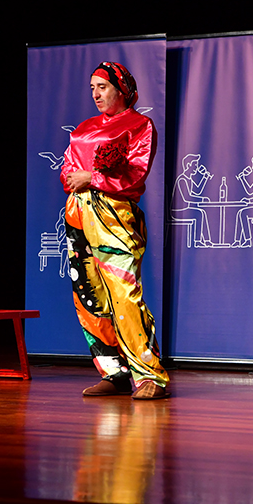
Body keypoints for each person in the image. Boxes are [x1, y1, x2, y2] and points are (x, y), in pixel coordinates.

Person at [60, 61, 170, 400]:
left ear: (121, 89)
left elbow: (135, 174)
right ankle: (114, 372)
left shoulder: (139, 125)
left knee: (124, 294)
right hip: (78, 213)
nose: (96, 94)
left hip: (114, 215)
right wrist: (77, 178)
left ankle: (149, 375)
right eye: (92, 88)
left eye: (103, 87)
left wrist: (92, 177)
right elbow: (66, 169)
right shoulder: (83, 129)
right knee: (88, 296)